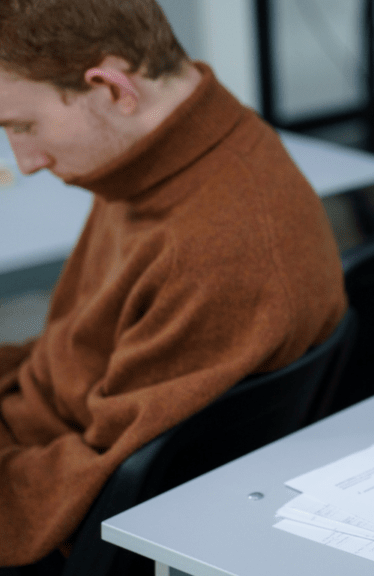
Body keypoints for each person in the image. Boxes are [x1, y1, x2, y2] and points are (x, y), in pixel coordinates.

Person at [0, 0, 347, 569]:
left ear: (113, 89)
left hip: (53, 481)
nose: (27, 161)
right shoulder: (161, 157)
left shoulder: (220, 248)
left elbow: (108, 478)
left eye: (23, 126)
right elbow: (74, 357)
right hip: (43, 423)